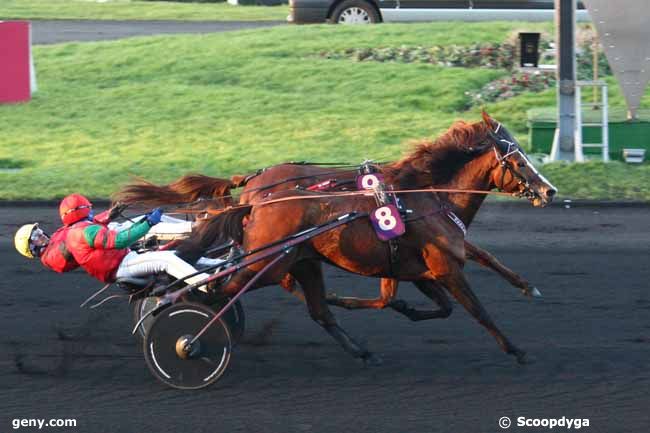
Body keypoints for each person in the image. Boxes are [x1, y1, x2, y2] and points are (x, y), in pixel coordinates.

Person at [14, 193, 221, 291]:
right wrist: (148, 222)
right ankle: (205, 284)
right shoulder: (60, 248)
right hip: (120, 265)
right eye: (37, 236)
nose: (42, 234)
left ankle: (210, 256)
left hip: (118, 255)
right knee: (165, 258)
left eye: (39, 231)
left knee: (169, 251)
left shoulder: (71, 230)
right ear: (32, 248)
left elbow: (88, 226)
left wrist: (109, 215)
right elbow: (118, 240)